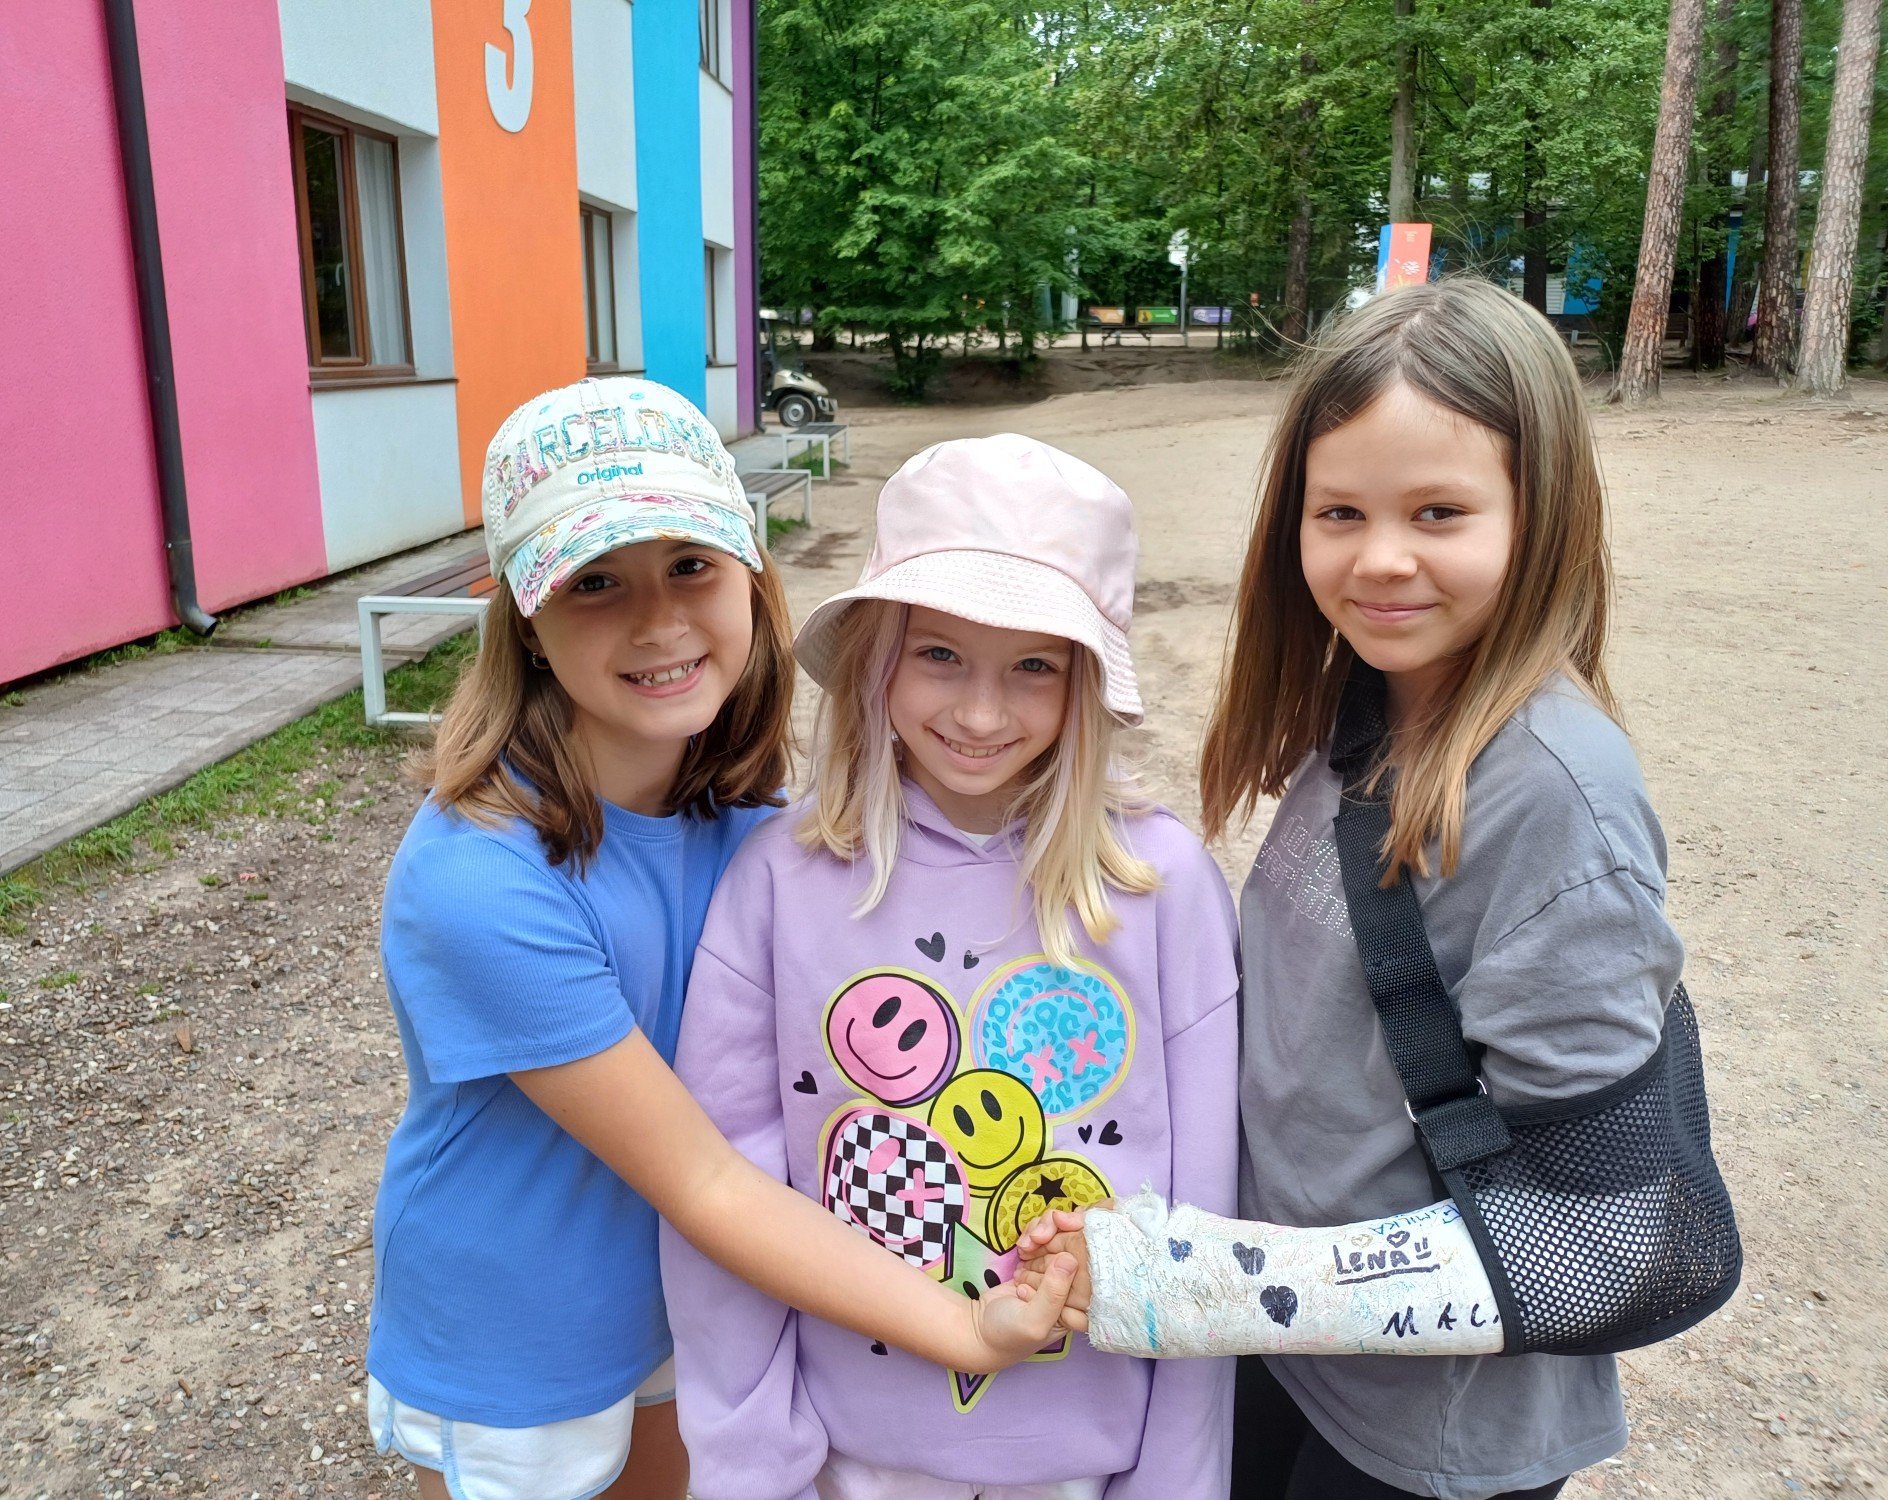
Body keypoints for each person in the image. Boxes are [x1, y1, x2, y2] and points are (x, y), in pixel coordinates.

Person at [1018, 278, 1686, 1500]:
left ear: (1541, 514)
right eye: (1338, 512)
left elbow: (1593, 1235)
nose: (1380, 559)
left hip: (1426, 1428)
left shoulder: (1551, 797)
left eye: (1438, 512)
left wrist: (1200, 1283)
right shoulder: (1372, 705)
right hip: (1293, 1356)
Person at [366, 380, 1075, 1500]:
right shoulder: (479, 880)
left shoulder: (753, 819)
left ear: (752, 577)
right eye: (595, 581)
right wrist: (962, 1326)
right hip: (523, 1328)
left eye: (690, 565)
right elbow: (702, 1178)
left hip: (701, 1297)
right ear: (526, 620)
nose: (658, 622)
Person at [661, 434, 1240, 1499]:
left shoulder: (1164, 886)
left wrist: (1177, 1480)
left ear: (1085, 679)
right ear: (877, 655)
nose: (979, 713)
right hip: (845, 1462)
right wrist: (750, 1468)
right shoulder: (777, 879)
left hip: (1091, 1465)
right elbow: (724, 1197)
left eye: (1034, 665)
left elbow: (1203, 1224)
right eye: (939, 654)